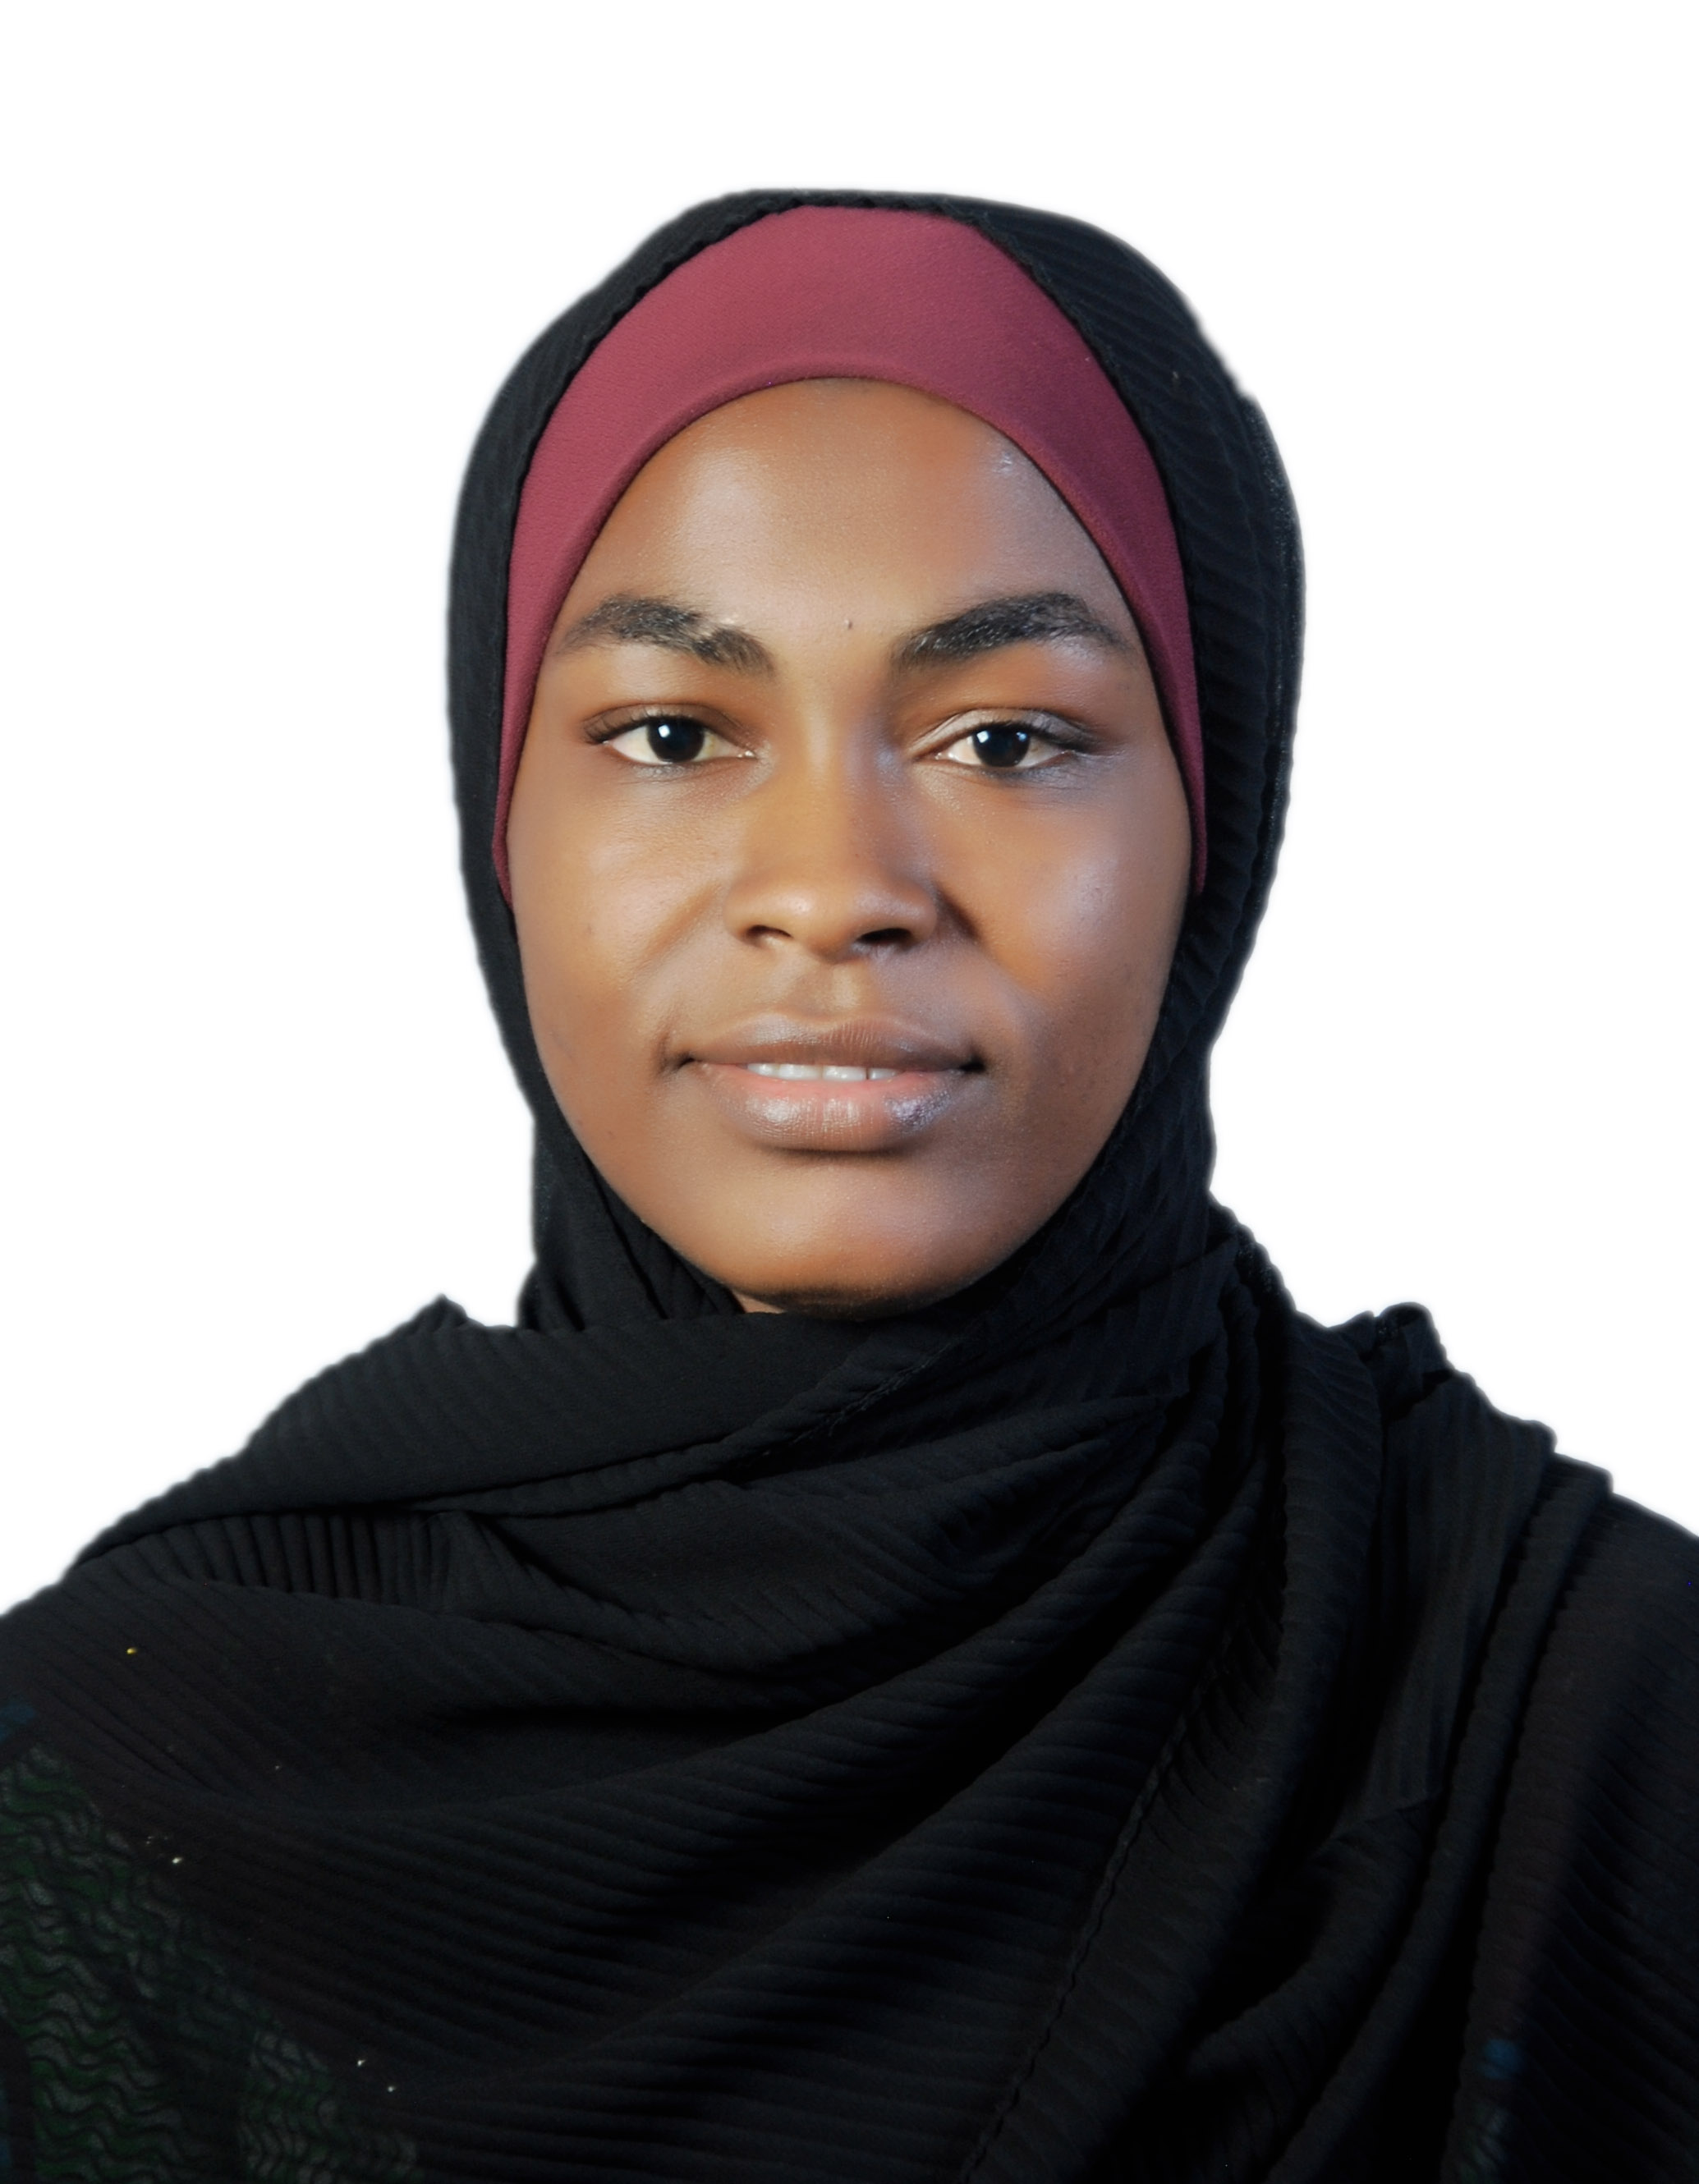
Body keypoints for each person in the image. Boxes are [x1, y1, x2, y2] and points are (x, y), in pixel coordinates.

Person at [0, 190, 1693, 2184]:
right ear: (501, 823)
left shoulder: (1577, 1728)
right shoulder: (108, 1802)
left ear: (1214, 828)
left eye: (1009, 738)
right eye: (672, 731)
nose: (836, 888)